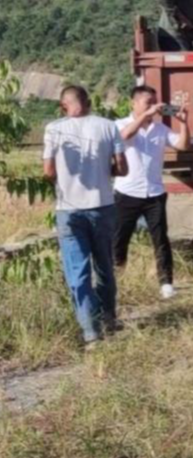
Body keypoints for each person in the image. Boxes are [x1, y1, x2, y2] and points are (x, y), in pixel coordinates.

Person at [42, 85, 128, 347]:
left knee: (77, 272)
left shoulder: (53, 128)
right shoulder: (108, 126)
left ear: (63, 106)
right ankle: (109, 319)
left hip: (69, 211)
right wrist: (104, 168)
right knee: (104, 266)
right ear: (88, 103)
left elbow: (47, 172)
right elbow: (122, 168)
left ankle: (91, 333)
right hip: (102, 206)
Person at [112, 86, 191, 300]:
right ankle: (116, 280)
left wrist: (184, 123)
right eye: (148, 102)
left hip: (154, 192)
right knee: (119, 240)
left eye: (155, 102)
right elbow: (123, 137)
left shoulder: (160, 129)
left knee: (160, 239)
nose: (153, 107)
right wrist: (144, 116)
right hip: (126, 193)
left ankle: (166, 283)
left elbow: (183, 145)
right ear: (134, 104)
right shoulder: (120, 124)